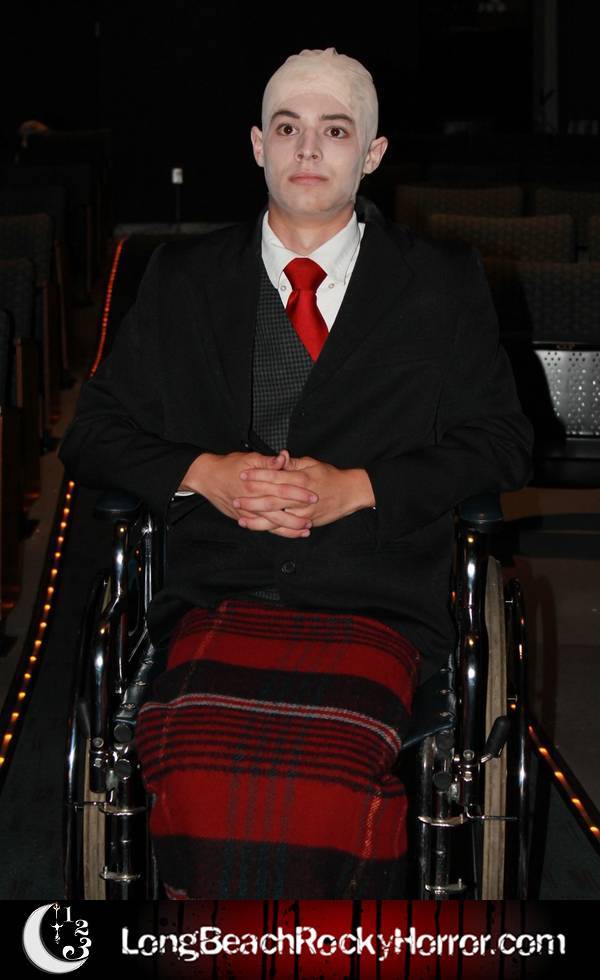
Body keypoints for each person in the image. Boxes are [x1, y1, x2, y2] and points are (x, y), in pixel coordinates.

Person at [59, 48, 533, 899]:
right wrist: (203, 471)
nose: (309, 149)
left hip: (374, 596)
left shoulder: (440, 282)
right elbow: (91, 434)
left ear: (373, 153)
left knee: (329, 781)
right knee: (195, 766)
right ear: (257, 145)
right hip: (218, 594)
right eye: (288, 128)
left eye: (335, 131)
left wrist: (363, 488)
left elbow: (501, 441)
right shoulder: (182, 278)